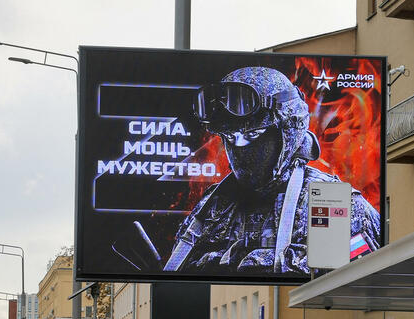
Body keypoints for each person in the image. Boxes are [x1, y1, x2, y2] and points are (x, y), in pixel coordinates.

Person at [162, 66, 381, 276]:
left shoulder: (330, 201)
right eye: (230, 137)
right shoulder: (212, 207)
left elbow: (356, 284)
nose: (239, 147)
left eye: (252, 135)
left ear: (287, 133)